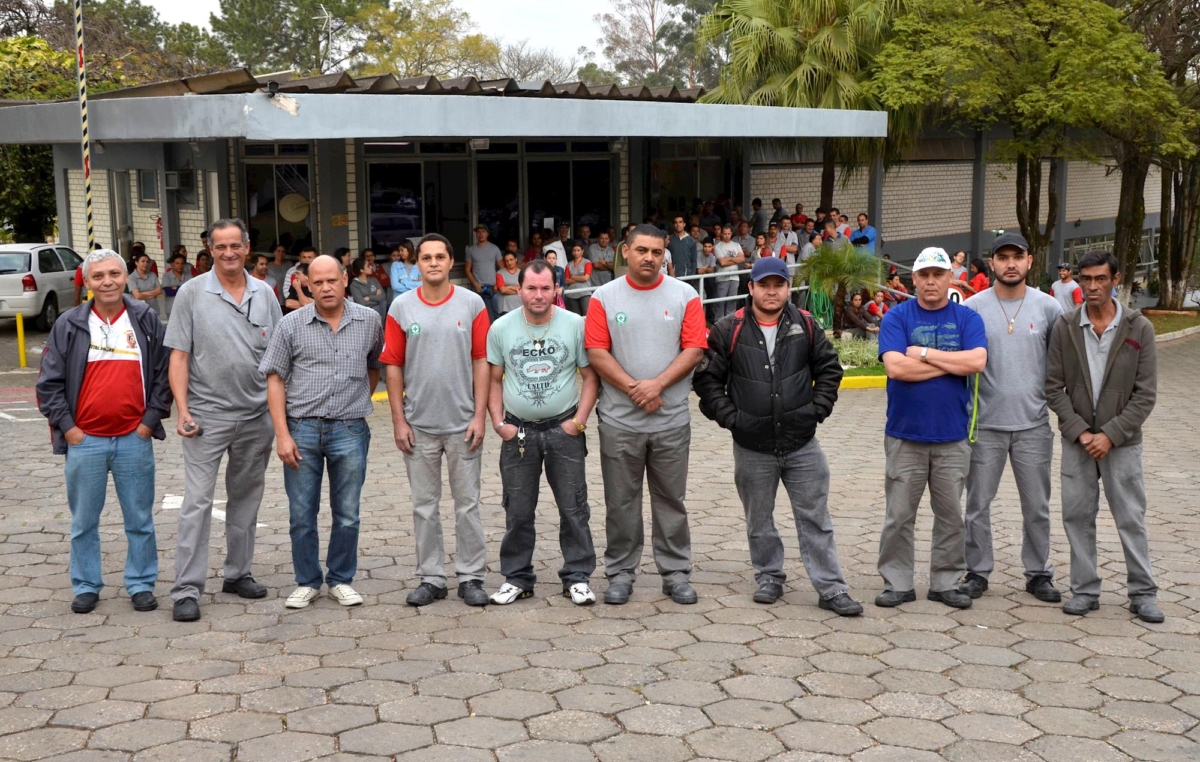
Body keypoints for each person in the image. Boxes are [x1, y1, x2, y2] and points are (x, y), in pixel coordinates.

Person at [694, 256, 862, 614]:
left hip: (802, 444)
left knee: (815, 517)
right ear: (750, 287)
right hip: (752, 446)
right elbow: (707, 382)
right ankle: (769, 576)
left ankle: (831, 588)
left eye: (779, 285)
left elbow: (830, 370)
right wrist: (733, 419)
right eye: (764, 285)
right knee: (759, 518)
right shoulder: (729, 328)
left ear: (788, 288)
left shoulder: (806, 325)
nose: (772, 291)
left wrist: (816, 411)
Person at [37, 248, 171, 615]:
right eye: (98, 276)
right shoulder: (69, 324)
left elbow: (163, 375)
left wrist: (149, 423)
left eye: (114, 274)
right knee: (83, 522)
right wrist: (70, 429)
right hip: (85, 441)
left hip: (134, 438)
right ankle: (86, 585)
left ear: (125, 277)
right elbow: (48, 384)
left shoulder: (145, 318)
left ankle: (141, 583)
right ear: (87, 282)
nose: (107, 281)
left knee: (140, 519)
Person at [165, 218, 283, 622]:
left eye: (236, 245)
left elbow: (278, 358)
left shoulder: (265, 293)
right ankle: (186, 590)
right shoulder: (192, 293)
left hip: (256, 417)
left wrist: (278, 416)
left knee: (246, 499)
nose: (229, 253)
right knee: (197, 503)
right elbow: (178, 356)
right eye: (221, 247)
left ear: (248, 248)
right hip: (206, 417)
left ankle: (237, 574)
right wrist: (183, 410)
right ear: (210, 250)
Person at [584, 224, 707, 605]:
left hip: (671, 423)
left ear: (665, 253)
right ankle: (621, 573)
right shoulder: (603, 297)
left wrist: (655, 386)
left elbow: (694, 350)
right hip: (620, 423)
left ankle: (675, 573)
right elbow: (596, 352)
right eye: (641, 250)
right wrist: (636, 390)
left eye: (656, 252)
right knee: (621, 502)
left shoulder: (685, 295)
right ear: (625, 250)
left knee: (671, 500)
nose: (649, 258)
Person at [1045, 250, 1162, 623]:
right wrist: (1081, 432)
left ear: (1115, 279)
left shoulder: (1138, 327)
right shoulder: (1065, 326)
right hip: (1078, 442)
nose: (1092, 286)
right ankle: (1084, 590)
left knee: (1130, 516)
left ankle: (1143, 593)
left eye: (1100, 279)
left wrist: (1110, 434)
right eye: (1086, 279)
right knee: (1077, 516)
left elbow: (1145, 394)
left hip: (1122, 442)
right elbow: (1052, 388)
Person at [261, 255, 383, 609]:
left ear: (345, 280)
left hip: (350, 429)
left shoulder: (369, 320)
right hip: (302, 429)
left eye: (332, 280)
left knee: (347, 512)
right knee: (302, 514)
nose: (326, 288)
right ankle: (307, 581)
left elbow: (373, 366)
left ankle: (341, 579)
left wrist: (357, 396)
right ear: (307, 285)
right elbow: (275, 380)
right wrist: (282, 434)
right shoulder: (291, 325)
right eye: (318, 283)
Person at [383, 234, 491, 608]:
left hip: (464, 424)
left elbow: (482, 361)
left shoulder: (472, 303)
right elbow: (392, 366)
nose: (432, 263)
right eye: (425, 257)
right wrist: (399, 421)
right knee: (424, 506)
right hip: (420, 425)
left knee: (468, 504)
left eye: (439, 257)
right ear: (417, 263)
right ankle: (431, 577)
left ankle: (471, 576)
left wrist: (480, 415)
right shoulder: (400, 307)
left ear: (451, 262)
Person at [876, 247, 988, 610]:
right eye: (924, 275)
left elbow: (977, 361)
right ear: (914, 279)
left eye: (938, 275)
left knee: (951, 517)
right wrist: (953, 365)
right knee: (898, 517)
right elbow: (896, 369)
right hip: (904, 434)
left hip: (952, 436)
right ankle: (897, 582)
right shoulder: (897, 316)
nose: (930, 282)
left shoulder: (967, 318)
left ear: (950, 279)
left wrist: (921, 354)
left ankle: (945, 582)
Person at [486, 260, 601, 606]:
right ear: (518, 289)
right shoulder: (501, 328)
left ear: (556, 290)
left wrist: (578, 422)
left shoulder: (575, 325)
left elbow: (591, 377)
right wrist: (498, 423)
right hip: (518, 433)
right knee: (517, 510)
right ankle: (517, 578)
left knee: (574, 507)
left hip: (563, 430)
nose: (538, 295)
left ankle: (577, 577)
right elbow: (493, 379)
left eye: (545, 288)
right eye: (531, 288)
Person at [959, 232, 1064, 604]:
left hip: (1033, 425)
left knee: (1036, 506)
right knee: (977, 506)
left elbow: (1060, 366)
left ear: (1029, 261)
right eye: (1002, 257)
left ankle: (1038, 574)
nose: (1010, 264)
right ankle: (977, 572)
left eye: (1017, 257)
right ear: (993, 263)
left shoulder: (1048, 308)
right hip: (984, 424)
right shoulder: (972, 307)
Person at [465, 224, 502, 322]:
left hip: (493, 287)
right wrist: (475, 284)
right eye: (478, 232)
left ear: (487, 234)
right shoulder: (471, 250)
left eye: (483, 231)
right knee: (477, 316)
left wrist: (498, 284)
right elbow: (467, 269)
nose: (481, 234)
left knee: (495, 314)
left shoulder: (494, 249)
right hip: (478, 287)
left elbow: (502, 268)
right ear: (476, 234)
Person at [713, 224, 745, 322]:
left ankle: (731, 323)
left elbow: (742, 259)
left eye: (728, 233)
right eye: (725, 234)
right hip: (722, 277)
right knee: (721, 302)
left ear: (731, 234)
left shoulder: (736, 245)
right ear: (721, 234)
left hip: (734, 277)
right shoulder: (718, 246)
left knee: (732, 302)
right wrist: (735, 258)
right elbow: (722, 262)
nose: (727, 235)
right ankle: (719, 324)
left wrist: (728, 259)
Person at [349, 256, 388, 323]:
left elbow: (383, 296)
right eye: (368, 266)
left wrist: (369, 297)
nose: (371, 267)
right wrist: (376, 299)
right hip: (365, 319)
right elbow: (362, 303)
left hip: (380, 317)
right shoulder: (354, 285)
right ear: (362, 270)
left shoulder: (374, 280)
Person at [129, 252, 163, 318]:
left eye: (147, 262)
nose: (145, 264)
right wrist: (152, 294)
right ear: (136, 263)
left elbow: (159, 291)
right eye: (143, 261)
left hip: (154, 310)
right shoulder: (131, 277)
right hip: (139, 312)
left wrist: (143, 294)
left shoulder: (153, 275)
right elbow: (137, 295)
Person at [161, 252, 192, 320]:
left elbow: (191, 291)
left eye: (182, 263)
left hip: (186, 308)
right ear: (172, 264)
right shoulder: (166, 276)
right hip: (171, 308)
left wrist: (176, 288)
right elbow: (168, 292)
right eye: (177, 263)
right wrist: (183, 289)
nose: (180, 265)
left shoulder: (189, 275)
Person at [565, 241, 593, 314]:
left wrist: (573, 276)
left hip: (585, 292)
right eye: (574, 250)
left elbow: (586, 278)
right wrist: (580, 278)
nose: (576, 252)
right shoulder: (568, 265)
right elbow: (566, 281)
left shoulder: (587, 262)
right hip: (572, 294)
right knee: (575, 317)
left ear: (582, 251)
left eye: (578, 250)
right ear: (572, 252)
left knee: (586, 315)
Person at [668, 216, 698, 282]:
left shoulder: (691, 241)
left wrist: (692, 275)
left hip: (687, 276)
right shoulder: (669, 240)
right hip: (672, 277)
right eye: (676, 222)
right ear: (673, 225)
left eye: (680, 222)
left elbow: (694, 260)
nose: (678, 224)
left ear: (684, 224)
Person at [495, 251, 522, 317]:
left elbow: (524, 289)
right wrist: (518, 289)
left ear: (516, 259)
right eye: (507, 261)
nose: (509, 262)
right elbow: (503, 290)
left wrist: (508, 287)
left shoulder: (522, 273)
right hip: (505, 309)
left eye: (511, 260)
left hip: (520, 307)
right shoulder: (499, 273)